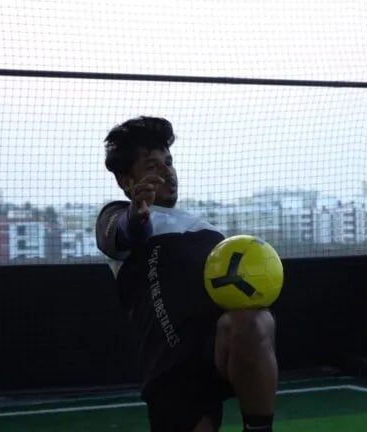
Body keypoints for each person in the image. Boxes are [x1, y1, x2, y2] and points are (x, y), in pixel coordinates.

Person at [96, 116, 278, 432]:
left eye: (168, 162)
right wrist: (136, 217)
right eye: (152, 166)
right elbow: (118, 233)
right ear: (126, 180)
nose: (166, 171)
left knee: (252, 322)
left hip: (219, 345)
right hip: (172, 364)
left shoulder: (209, 230)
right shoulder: (117, 216)